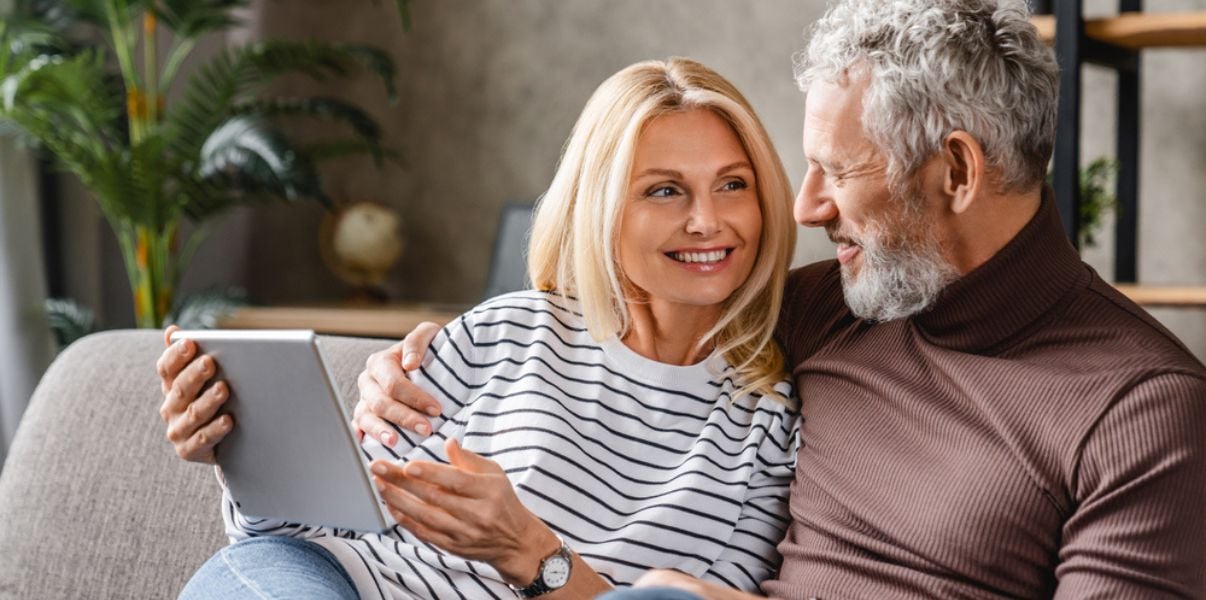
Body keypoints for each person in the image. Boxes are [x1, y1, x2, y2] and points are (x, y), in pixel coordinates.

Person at [356, 0, 1206, 598]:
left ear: (955, 171)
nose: (803, 209)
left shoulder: (1140, 411)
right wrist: (417, 367)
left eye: (837, 170)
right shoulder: (826, 309)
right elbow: (628, 315)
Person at [155, 57, 803, 599]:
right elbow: (300, 528)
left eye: (732, 185)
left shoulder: (767, 424)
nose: (706, 221)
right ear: (599, 210)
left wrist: (534, 553)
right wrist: (239, 447)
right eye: (665, 191)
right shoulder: (506, 332)